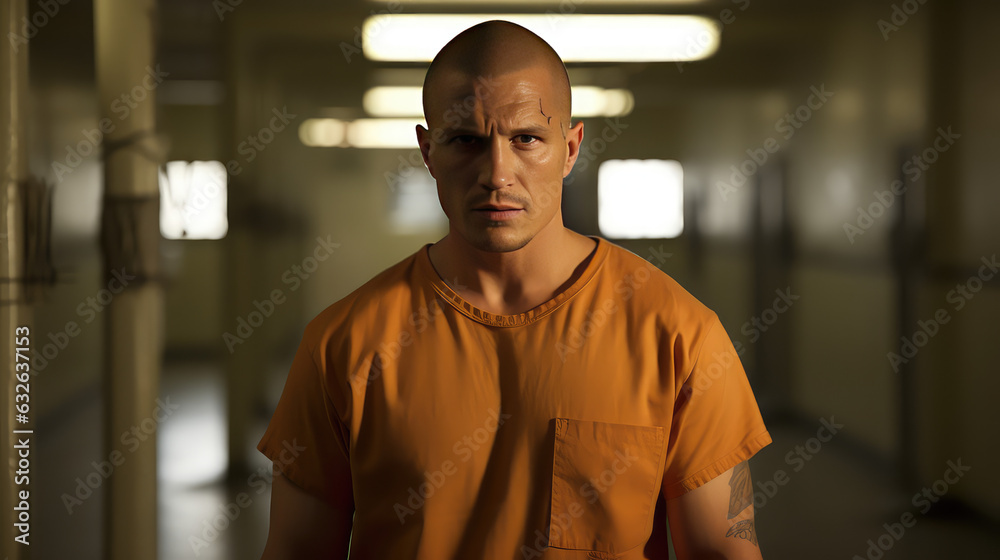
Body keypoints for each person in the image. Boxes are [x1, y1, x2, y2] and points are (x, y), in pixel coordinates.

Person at [258, 20, 771, 560]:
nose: (497, 173)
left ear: (570, 148)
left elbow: (722, 551)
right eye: (466, 141)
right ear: (428, 151)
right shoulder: (344, 344)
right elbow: (296, 549)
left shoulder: (679, 336)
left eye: (526, 138)